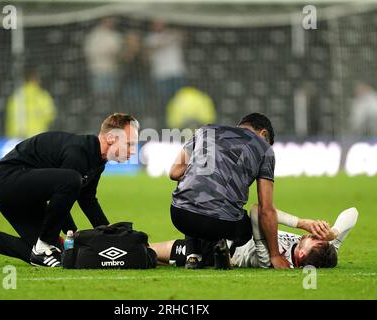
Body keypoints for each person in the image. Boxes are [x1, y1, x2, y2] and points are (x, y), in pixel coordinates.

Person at [0, 113, 139, 268]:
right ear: (110, 138)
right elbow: (65, 194)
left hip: (26, 193)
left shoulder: (98, 161)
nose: (132, 151)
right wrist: (73, 233)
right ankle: (44, 243)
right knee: (71, 182)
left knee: (59, 255)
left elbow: (88, 199)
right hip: (7, 181)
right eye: (129, 144)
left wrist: (108, 232)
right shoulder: (78, 152)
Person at [169, 113, 290, 269]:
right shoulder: (264, 149)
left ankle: (193, 255)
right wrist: (274, 255)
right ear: (264, 134)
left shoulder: (206, 130)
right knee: (245, 228)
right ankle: (221, 252)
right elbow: (266, 209)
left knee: (193, 192)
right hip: (223, 224)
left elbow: (175, 173)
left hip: (180, 217)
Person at [152, 206, 358, 269]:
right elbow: (353, 212)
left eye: (315, 239)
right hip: (226, 235)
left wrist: (300, 222)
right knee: (158, 257)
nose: (314, 234)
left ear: (301, 254)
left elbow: (257, 212)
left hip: (216, 250)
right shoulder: (324, 252)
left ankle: (123, 252)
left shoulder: (272, 261)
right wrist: (334, 233)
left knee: (152, 253)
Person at [146, 21, 186, 110]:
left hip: (177, 72)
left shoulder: (173, 33)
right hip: (161, 75)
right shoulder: (150, 38)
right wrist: (167, 40)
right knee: (164, 101)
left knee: (180, 99)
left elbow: (183, 38)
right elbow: (152, 48)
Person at [5, 70, 57, 138]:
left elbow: (10, 116)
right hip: (37, 136)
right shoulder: (42, 96)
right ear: (36, 80)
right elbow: (50, 115)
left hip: (17, 136)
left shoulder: (16, 96)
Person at [84, 18, 122, 99]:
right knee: (99, 95)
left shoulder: (115, 35)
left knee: (111, 95)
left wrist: (114, 54)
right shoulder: (94, 35)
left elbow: (119, 52)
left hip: (112, 70)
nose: (110, 23)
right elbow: (89, 52)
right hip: (98, 70)